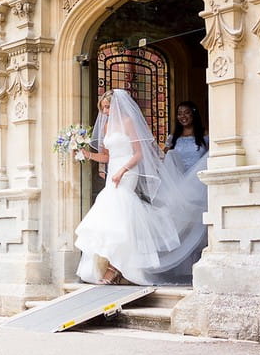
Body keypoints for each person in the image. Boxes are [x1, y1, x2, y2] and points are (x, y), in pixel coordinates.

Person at [75, 89, 182, 285]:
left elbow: (138, 154)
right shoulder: (106, 126)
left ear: (116, 105)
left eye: (107, 107)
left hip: (128, 171)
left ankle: (114, 269)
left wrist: (122, 170)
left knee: (121, 209)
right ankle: (113, 265)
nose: (105, 111)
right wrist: (86, 154)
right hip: (113, 171)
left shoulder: (128, 122)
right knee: (112, 214)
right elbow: (106, 157)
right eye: (103, 108)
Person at [143, 101, 209, 284]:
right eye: (180, 113)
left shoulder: (204, 136)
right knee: (181, 223)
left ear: (193, 114)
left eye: (186, 113)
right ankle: (181, 268)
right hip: (179, 185)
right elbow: (163, 158)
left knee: (199, 224)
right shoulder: (173, 137)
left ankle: (198, 265)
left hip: (198, 185)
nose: (183, 116)